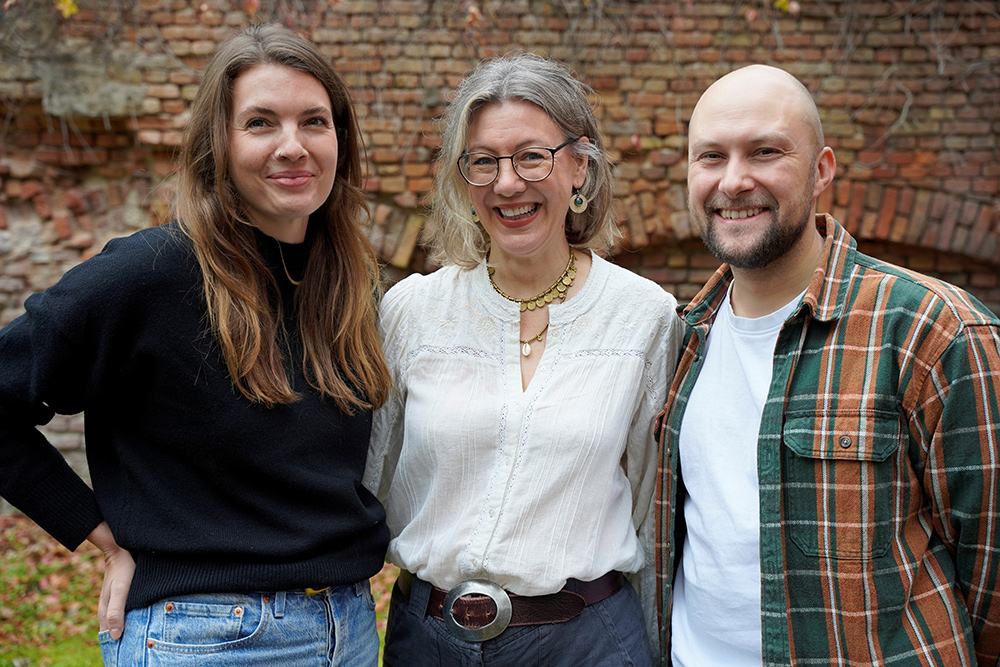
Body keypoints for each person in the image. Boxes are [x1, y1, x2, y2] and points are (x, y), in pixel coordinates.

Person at [0, 23, 392, 666]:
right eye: (261, 123)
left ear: (340, 142)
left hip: (345, 623)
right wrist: (103, 536)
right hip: (204, 636)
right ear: (221, 141)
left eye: (314, 122)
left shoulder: (346, 282)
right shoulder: (148, 274)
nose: (292, 146)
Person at [654, 63, 1000, 666]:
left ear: (821, 171)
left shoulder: (930, 329)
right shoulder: (679, 339)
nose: (733, 181)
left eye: (765, 152)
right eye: (710, 156)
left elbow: (993, 570)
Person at [364, 52, 683, 666]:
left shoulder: (643, 316)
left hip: (586, 643)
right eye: (483, 162)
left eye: (532, 156)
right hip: (427, 641)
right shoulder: (413, 311)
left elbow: (654, 508)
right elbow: (364, 479)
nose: (507, 183)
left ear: (580, 169)